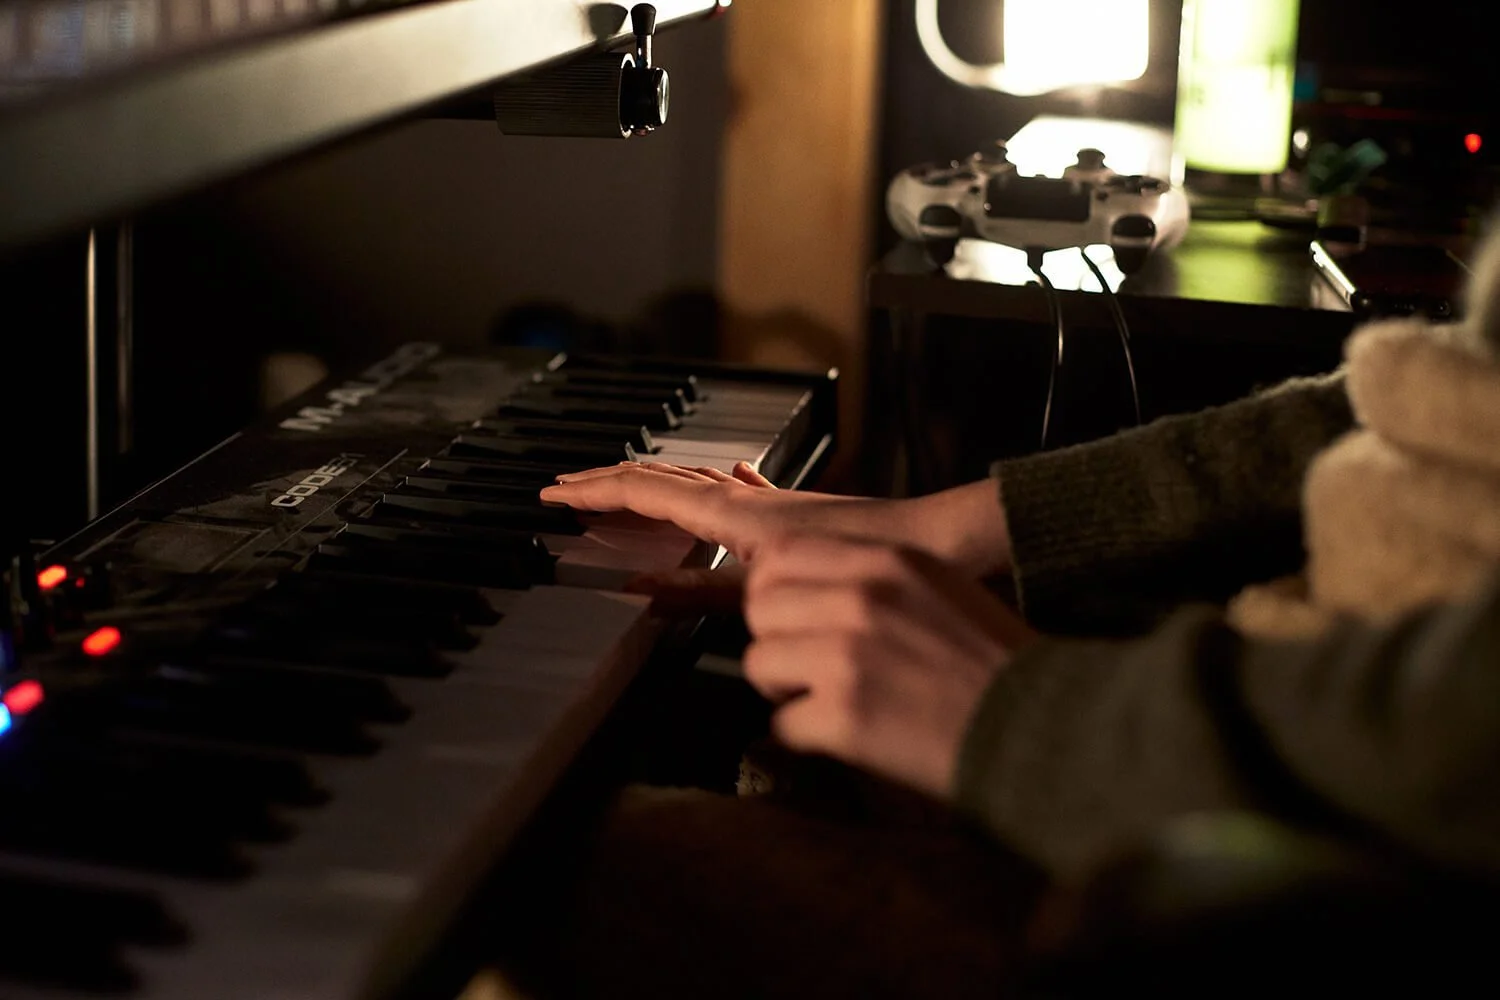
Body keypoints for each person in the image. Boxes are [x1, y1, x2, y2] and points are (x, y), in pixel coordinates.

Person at [480, 237, 1500, 996]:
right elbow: (1417, 397)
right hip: (1309, 706)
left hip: (1321, 889)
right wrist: (950, 526)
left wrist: (1018, 714)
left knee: (494, 902)